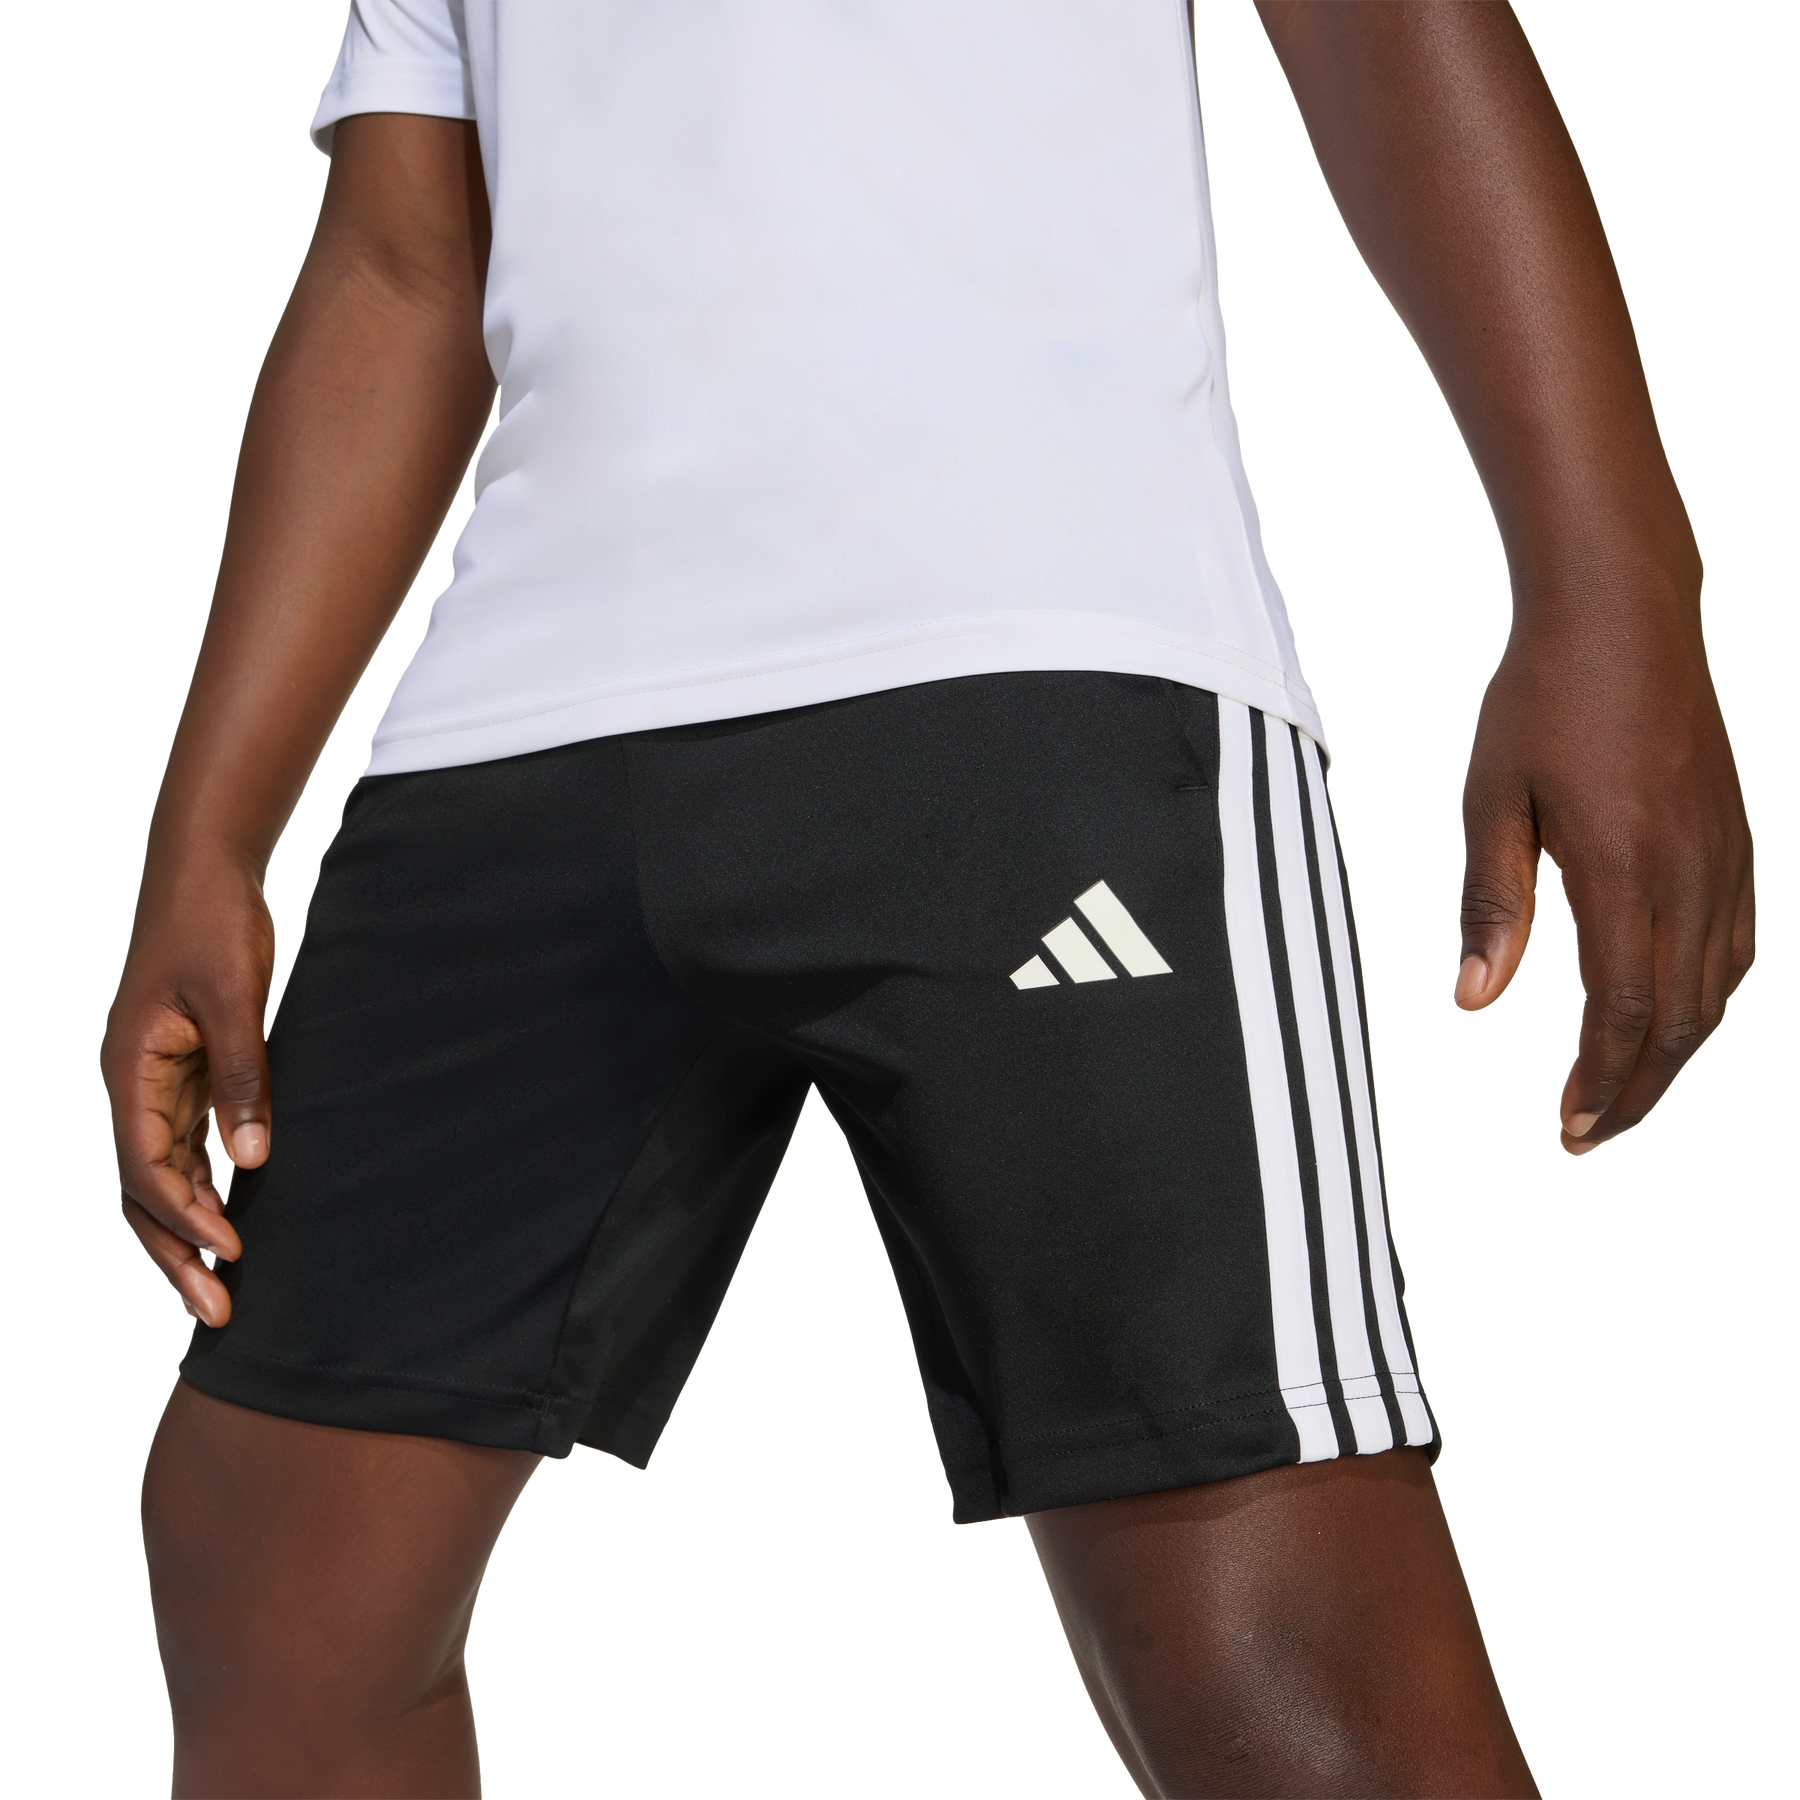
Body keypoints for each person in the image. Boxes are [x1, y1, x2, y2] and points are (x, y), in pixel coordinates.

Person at [99, 3, 1754, 1794]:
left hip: (1030, 674)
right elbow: (407, 259)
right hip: (521, 730)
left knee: (1274, 1659)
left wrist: (1614, 584)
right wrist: (208, 835)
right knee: (271, 1569)